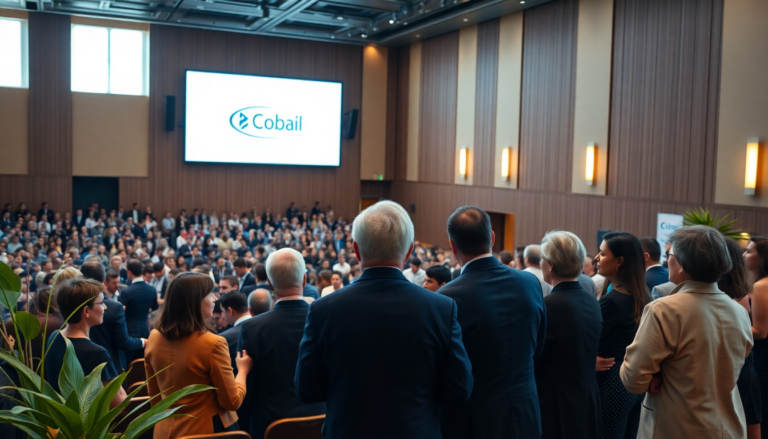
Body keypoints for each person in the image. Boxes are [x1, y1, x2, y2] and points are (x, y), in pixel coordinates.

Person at [295, 200, 473, 439]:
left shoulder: (323, 310)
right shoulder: (441, 308)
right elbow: (459, 390)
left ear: (356, 251)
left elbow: (307, 390)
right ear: (409, 252)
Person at [621, 226, 753, 438]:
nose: (667, 260)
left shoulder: (663, 310)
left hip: (676, 425)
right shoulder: (739, 311)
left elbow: (633, 378)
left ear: (682, 264)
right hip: (728, 426)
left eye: (669, 255)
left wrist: (655, 374)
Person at [439, 206, 545, 439]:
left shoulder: (446, 298)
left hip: (474, 421)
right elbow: (537, 349)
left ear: (452, 245)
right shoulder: (530, 282)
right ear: (492, 237)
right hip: (526, 413)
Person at [145, 272, 252, 438]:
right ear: (194, 302)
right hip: (206, 432)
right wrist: (243, 371)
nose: (215, 299)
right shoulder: (213, 343)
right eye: (210, 294)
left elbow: (155, 398)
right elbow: (232, 401)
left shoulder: (153, 337)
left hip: (164, 430)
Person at [238, 248, 326, 439]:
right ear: (304, 280)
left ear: (269, 283)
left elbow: (247, 391)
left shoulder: (251, 329)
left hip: (272, 427)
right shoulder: (328, 319)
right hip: (323, 423)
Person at [535, 231, 602, 438]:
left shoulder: (548, 305)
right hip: (587, 397)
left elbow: (535, 356)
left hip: (556, 403)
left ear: (551, 264)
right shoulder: (591, 300)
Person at [594, 232, 650, 439]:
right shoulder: (641, 294)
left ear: (619, 261)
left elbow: (588, 339)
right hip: (632, 380)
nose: (597, 259)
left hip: (611, 381)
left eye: (602, 253)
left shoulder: (614, 300)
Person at [45, 279, 128, 408]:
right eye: (101, 303)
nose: (104, 307)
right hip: (86, 427)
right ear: (86, 311)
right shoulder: (96, 353)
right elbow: (118, 402)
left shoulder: (54, 336)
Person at [720, 237, 762, 439]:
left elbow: (756, 333)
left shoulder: (749, 291)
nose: (746, 254)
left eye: (750, 251)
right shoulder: (743, 291)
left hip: (738, 364)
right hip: (743, 363)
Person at [82, 261, 145, 373]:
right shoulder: (114, 308)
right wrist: (143, 342)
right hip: (110, 368)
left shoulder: (72, 305)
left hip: (82, 368)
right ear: (103, 282)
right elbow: (124, 342)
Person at [744, 236, 768, 437]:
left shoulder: (762, 285)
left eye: (749, 251)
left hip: (762, 360)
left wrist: (730, 328)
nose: (744, 255)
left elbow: (760, 331)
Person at [119, 259, 159, 363]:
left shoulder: (126, 291)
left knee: (130, 365)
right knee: (143, 363)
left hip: (129, 333)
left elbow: (118, 311)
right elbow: (155, 308)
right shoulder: (152, 289)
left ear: (129, 272)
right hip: (146, 330)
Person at [217, 291, 251, 372]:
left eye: (222, 311)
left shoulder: (224, 338)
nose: (222, 316)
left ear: (230, 310)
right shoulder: (264, 327)